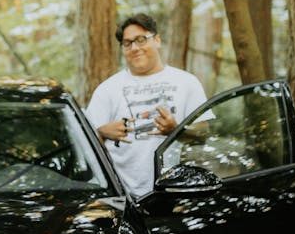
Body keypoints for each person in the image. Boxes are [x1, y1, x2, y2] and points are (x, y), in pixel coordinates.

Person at [85, 12, 208, 198]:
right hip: (122, 196)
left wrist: (175, 130)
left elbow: (202, 134)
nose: (134, 48)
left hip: (175, 192)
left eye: (141, 40)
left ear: (157, 40)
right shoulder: (107, 89)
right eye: (127, 43)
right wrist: (101, 133)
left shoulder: (187, 83)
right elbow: (84, 145)